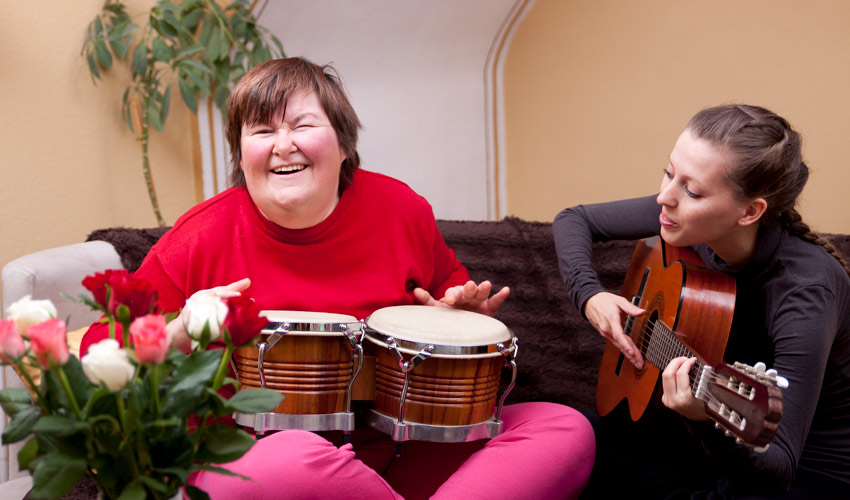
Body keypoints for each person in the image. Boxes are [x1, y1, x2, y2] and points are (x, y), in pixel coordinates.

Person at [81, 57, 595, 499]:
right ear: (241, 155)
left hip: (400, 454)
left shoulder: (401, 210)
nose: (283, 144)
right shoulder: (201, 235)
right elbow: (99, 352)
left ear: (343, 143)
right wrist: (177, 332)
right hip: (265, 467)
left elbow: (449, 294)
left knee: (564, 428)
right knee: (285, 457)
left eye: (301, 125)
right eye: (262, 131)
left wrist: (458, 314)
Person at [553, 104, 850, 498]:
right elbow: (574, 219)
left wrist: (704, 419)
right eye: (669, 172)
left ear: (750, 211)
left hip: (799, 474)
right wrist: (590, 296)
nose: (664, 197)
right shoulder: (686, 219)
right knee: (562, 443)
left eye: (691, 190)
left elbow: (778, 467)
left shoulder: (807, 291)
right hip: (700, 447)